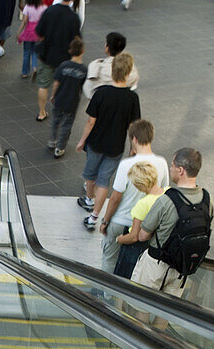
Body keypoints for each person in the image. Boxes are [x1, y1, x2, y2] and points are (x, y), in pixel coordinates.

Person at [132, 147, 213, 297]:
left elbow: (143, 236)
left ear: (181, 170)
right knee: (165, 313)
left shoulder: (166, 199)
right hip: (181, 267)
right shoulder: (207, 199)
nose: (170, 168)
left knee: (140, 307)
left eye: (172, 165)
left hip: (156, 265)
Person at [75, 51, 139, 230]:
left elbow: (90, 121)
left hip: (95, 143)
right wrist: (133, 148)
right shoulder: (132, 98)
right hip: (116, 147)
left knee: (90, 175)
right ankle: (94, 218)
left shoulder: (101, 93)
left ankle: (88, 199)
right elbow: (133, 126)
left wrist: (81, 141)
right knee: (104, 181)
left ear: (112, 72)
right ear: (128, 74)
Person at [97, 118, 167, 274]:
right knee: (133, 263)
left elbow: (115, 198)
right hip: (145, 226)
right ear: (151, 137)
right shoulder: (161, 163)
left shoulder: (126, 165)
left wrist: (105, 221)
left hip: (120, 222)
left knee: (109, 259)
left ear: (134, 139)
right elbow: (162, 193)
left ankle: (106, 292)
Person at [113, 161, 163, 278]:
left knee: (124, 277)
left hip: (136, 247)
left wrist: (119, 239)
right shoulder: (167, 192)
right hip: (154, 244)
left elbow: (134, 236)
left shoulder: (143, 204)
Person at [33, 0, 79, 122]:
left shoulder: (49, 11)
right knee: (62, 88)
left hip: (46, 56)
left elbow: (39, 32)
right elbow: (76, 41)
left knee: (43, 85)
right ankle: (59, 112)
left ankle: (41, 112)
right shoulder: (73, 17)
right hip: (64, 59)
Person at [46, 37, 84, 159]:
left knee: (55, 120)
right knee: (66, 125)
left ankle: (52, 140)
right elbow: (83, 86)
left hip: (60, 99)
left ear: (70, 51)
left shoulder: (64, 65)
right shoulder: (84, 70)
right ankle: (60, 148)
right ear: (82, 51)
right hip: (72, 102)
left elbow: (56, 82)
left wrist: (53, 95)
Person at [83, 31, 138, 102]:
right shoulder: (131, 68)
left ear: (107, 47)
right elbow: (134, 85)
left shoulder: (96, 66)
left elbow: (88, 90)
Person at [16, 0, 44, 79]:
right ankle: (35, 67)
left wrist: (19, 33)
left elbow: (24, 21)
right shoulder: (42, 7)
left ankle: (25, 72)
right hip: (37, 33)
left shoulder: (27, 7)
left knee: (26, 52)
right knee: (35, 52)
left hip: (28, 33)